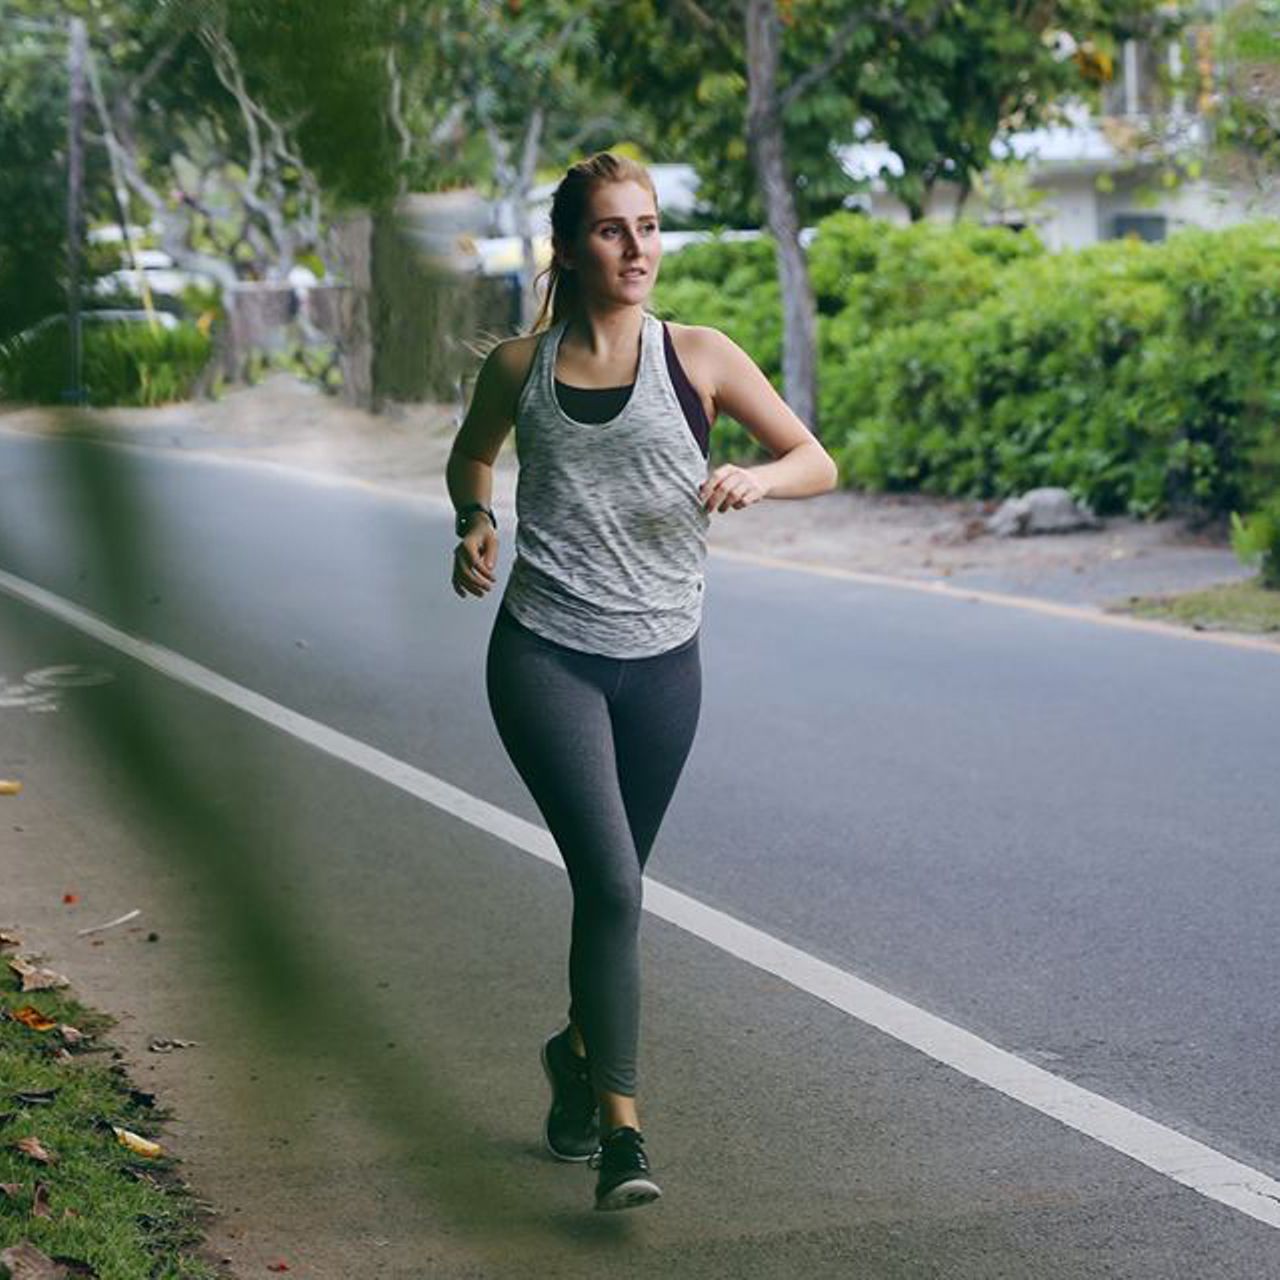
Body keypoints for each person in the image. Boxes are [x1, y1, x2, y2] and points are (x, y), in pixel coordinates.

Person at [446, 151, 837, 1212]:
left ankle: (570, 1062)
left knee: (607, 899)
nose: (638, 250)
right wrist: (473, 518)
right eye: (614, 230)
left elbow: (815, 457)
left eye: (651, 228)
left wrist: (755, 472)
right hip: (546, 655)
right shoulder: (518, 367)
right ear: (568, 248)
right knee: (613, 886)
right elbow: (471, 457)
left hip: (665, 662)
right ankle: (622, 1133)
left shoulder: (698, 355)